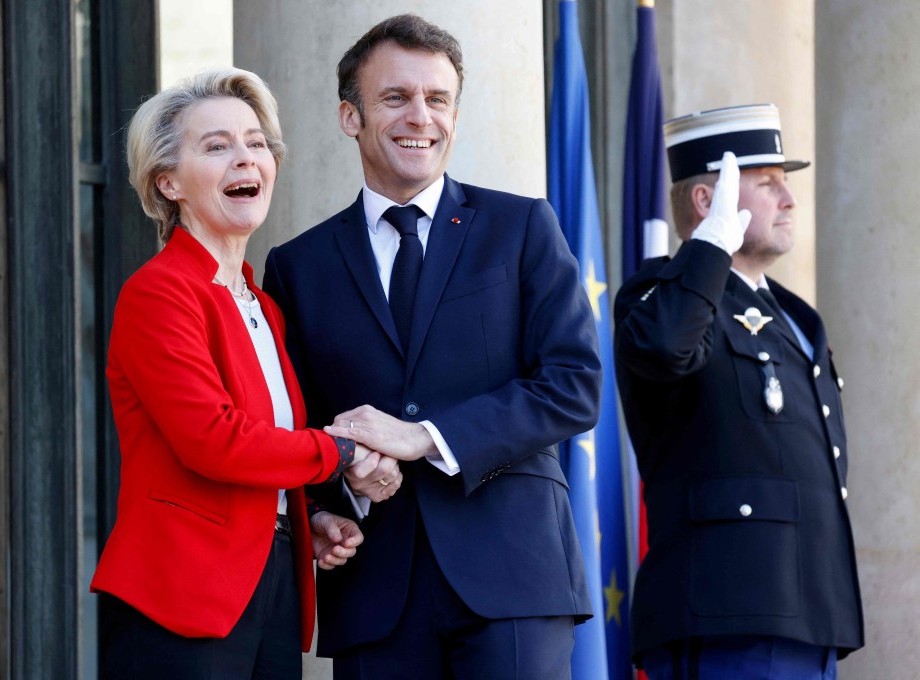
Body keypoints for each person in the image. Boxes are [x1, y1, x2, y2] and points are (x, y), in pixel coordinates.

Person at [262, 14, 602, 680]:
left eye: (437, 99)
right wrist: (334, 496)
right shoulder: (298, 266)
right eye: (396, 98)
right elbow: (295, 423)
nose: (421, 116)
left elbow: (574, 383)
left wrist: (426, 437)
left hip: (514, 580)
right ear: (350, 117)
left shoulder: (522, 227)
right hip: (374, 589)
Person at [90, 67, 377, 679]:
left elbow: (262, 453)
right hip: (180, 596)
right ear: (168, 182)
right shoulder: (158, 293)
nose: (246, 159)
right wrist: (342, 450)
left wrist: (303, 517)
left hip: (267, 589)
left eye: (256, 143)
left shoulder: (261, 305)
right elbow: (213, 440)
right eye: (216, 146)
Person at [614, 104, 864, 679]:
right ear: (709, 201)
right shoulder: (660, 295)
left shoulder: (791, 316)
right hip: (729, 613)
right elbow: (665, 348)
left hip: (808, 612)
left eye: (785, 183)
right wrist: (712, 246)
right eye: (767, 183)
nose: (789, 199)